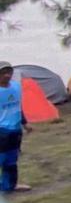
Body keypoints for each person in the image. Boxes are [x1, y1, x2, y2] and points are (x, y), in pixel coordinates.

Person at [0, 62, 29, 193]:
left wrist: (24, 123)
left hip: (15, 129)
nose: (7, 75)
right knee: (2, 158)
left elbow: (18, 107)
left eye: (9, 72)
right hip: (2, 130)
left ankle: (11, 185)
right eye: (3, 73)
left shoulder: (16, 87)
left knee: (12, 159)